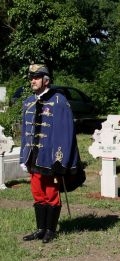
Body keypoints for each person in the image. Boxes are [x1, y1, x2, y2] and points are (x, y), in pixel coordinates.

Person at [20, 63, 80, 243]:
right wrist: (24, 156)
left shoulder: (58, 100)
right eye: (31, 77)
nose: (33, 80)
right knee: (37, 192)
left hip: (51, 156)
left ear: (46, 80)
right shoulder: (28, 102)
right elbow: (25, 132)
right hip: (33, 155)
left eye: (36, 77)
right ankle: (41, 228)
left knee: (51, 193)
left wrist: (60, 159)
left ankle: (51, 230)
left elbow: (65, 132)